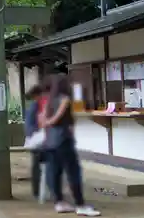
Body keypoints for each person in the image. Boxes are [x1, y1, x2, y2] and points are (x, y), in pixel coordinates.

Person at [42, 75, 101, 216]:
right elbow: (59, 117)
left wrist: (47, 126)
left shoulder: (49, 100)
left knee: (54, 173)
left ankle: (59, 202)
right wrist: (54, 122)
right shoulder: (65, 99)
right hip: (63, 140)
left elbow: (43, 119)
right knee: (73, 172)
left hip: (50, 141)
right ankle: (80, 205)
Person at [24, 83, 51, 199]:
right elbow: (30, 127)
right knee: (38, 166)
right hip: (38, 141)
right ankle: (38, 191)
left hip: (41, 140)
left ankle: (41, 191)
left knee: (40, 166)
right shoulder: (36, 106)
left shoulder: (39, 105)